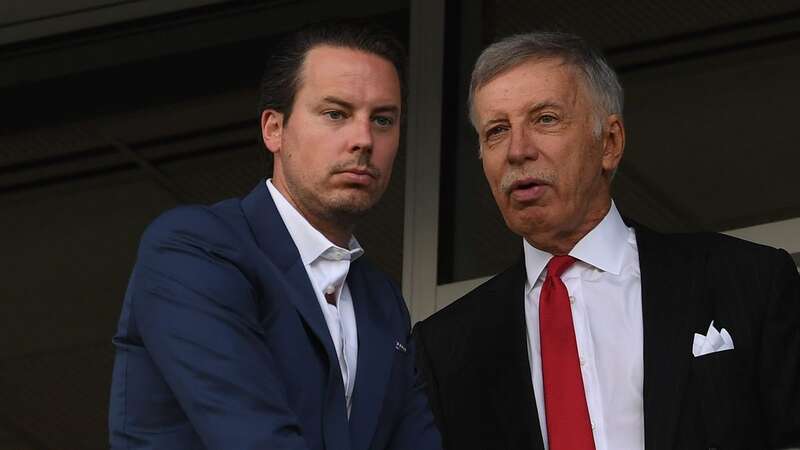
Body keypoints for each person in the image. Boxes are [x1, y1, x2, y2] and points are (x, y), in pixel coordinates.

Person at [413, 31, 800, 450]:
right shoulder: (445, 348)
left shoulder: (748, 281)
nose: (517, 150)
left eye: (545, 119)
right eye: (497, 131)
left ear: (610, 143)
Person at [109, 21, 441, 450]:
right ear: (274, 129)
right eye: (336, 114)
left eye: (382, 119)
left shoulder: (381, 300)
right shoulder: (195, 249)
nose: (363, 139)